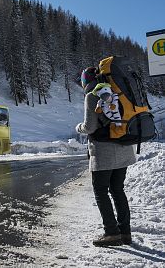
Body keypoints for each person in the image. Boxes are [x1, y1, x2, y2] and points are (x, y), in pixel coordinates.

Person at [76, 67, 137, 247]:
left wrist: (78, 127)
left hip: (104, 152)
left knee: (101, 191)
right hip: (124, 147)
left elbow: (90, 127)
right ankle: (125, 232)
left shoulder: (92, 95)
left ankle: (111, 233)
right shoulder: (116, 91)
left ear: (85, 82)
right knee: (118, 189)